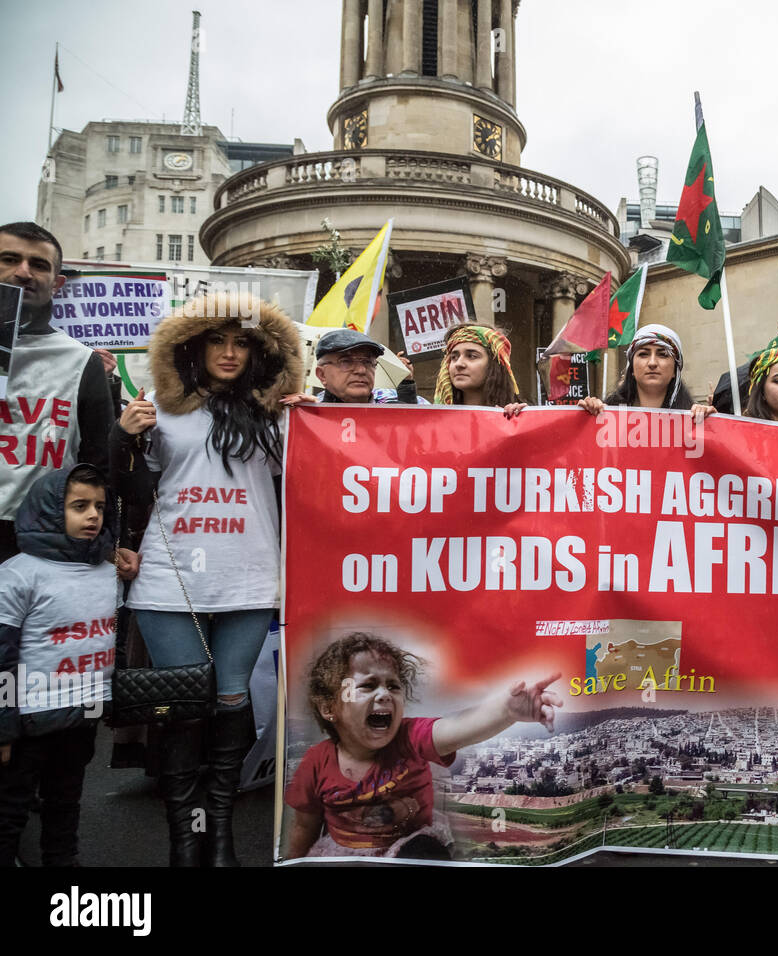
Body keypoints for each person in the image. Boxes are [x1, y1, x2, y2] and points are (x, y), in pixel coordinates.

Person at [110, 290, 303, 867]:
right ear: (192, 348)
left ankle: (218, 833)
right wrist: (123, 437)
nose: (228, 352)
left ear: (258, 354)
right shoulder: (156, 408)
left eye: (241, 342)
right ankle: (184, 838)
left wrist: (311, 414)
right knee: (184, 708)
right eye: (217, 340)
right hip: (170, 579)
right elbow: (117, 483)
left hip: (247, 575)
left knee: (230, 698)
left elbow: (338, 464)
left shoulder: (277, 416)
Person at [284, 632, 562, 859]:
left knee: (424, 851)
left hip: (408, 848)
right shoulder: (315, 762)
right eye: (368, 686)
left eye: (393, 686)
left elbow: (458, 728)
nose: (384, 694)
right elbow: (304, 826)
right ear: (328, 708)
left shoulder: (409, 737)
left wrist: (507, 711)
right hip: (345, 855)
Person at [0, 465, 123, 866]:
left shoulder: (109, 574)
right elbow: (2, 656)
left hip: (84, 714)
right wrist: (3, 728)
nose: (93, 516)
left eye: (100, 507)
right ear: (49, 511)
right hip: (29, 721)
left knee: (65, 802)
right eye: (79, 506)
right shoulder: (18, 574)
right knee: (10, 810)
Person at [0, 222, 115, 562]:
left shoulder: (80, 361)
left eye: (39, 265)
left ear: (57, 282)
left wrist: (104, 544)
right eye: (9, 259)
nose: (24, 273)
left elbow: (98, 462)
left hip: (41, 543)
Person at [578, 324, 700, 415]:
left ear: (675, 370)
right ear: (631, 369)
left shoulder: (695, 419)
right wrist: (585, 419)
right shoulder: (605, 415)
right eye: (643, 354)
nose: (652, 363)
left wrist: (710, 424)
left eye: (662, 355)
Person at [291, 328, 428, 405]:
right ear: (321, 375)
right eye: (346, 362)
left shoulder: (392, 410)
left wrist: (408, 413)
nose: (361, 370)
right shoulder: (307, 413)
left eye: (368, 362)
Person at [433, 325, 526, 417]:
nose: (459, 364)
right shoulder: (433, 420)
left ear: (493, 365)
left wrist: (519, 420)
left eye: (472, 356)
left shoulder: (514, 416)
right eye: (454, 357)